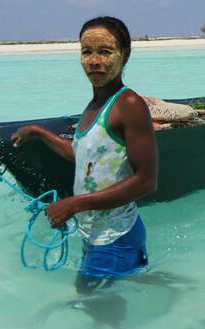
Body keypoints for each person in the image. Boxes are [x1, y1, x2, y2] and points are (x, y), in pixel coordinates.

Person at [10, 16, 158, 293]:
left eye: (105, 52)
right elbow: (86, 157)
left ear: (124, 55)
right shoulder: (94, 105)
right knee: (101, 305)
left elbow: (147, 181)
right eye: (87, 51)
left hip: (116, 236)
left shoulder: (129, 104)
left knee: (95, 307)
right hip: (96, 235)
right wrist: (39, 132)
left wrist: (74, 204)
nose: (94, 61)